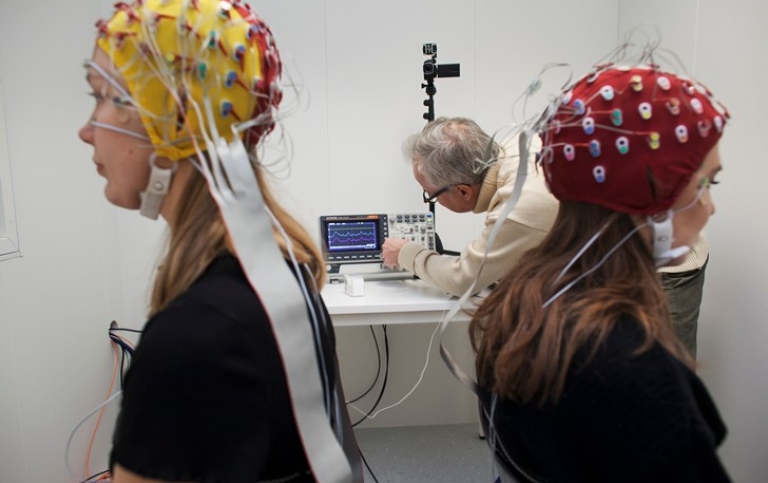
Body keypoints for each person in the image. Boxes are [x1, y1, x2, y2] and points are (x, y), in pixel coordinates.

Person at [78, 1, 361, 482]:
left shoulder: (192, 337)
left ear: (176, 120)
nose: (87, 131)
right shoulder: (283, 272)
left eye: (107, 97)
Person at [469, 60, 731, 482]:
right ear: (651, 197)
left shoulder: (522, 304)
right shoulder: (632, 368)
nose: (710, 208)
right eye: (704, 185)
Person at [380, 117, 559, 297]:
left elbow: (464, 280)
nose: (432, 200)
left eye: (430, 194)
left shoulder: (519, 203)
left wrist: (407, 253)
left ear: (463, 192)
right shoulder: (521, 143)